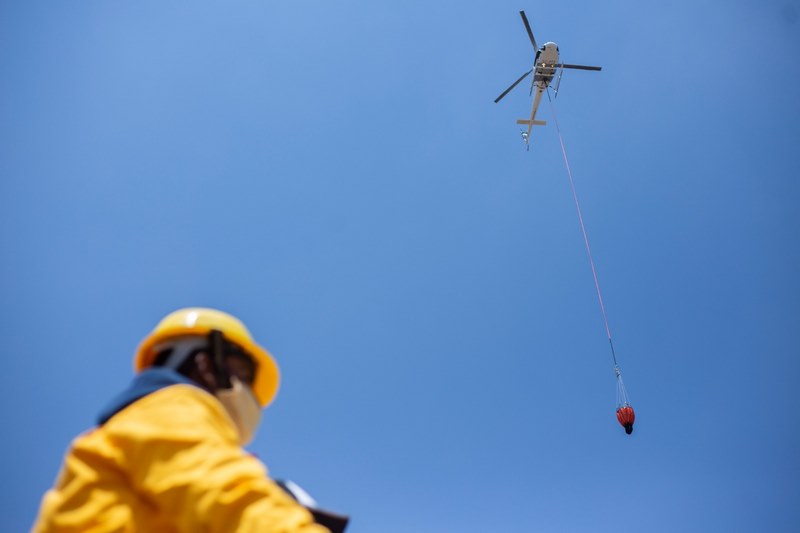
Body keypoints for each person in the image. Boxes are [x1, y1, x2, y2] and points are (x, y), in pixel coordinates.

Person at [33, 307, 347, 532]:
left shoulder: (137, 429)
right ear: (206, 365)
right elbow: (229, 498)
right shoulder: (172, 407)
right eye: (241, 373)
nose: (248, 393)